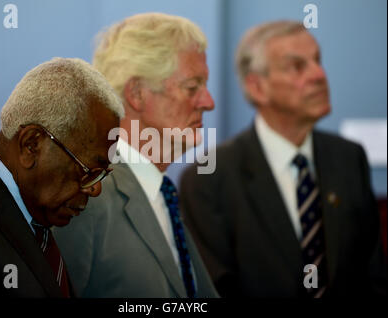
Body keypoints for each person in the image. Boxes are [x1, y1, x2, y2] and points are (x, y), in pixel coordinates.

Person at [179, 21, 387, 297]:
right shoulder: (208, 179)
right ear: (257, 87)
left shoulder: (349, 157)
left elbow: (373, 276)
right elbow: (216, 291)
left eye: (317, 61)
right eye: (297, 66)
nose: (319, 74)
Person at [54, 13, 218, 298]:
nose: (208, 102)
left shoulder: (164, 193)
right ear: (137, 94)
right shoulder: (85, 199)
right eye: (192, 87)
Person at [0, 57, 124, 297]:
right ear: (32, 145)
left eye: (102, 175)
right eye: (88, 171)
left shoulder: (36, 223)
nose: (95, 189)